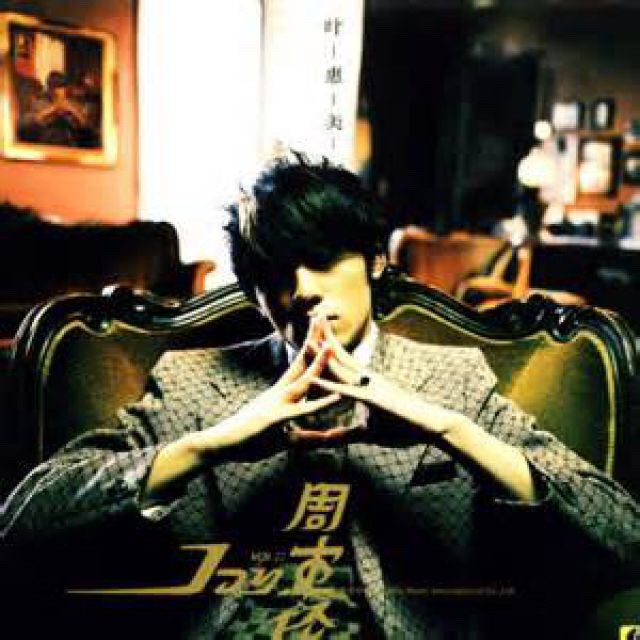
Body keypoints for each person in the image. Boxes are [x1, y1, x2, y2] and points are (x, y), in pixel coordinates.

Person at [1, 155, 639, 639]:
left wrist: (453, 432)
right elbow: (21, 522)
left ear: (375, 263)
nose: (303, 289)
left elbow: (623, 533)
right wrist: (208, 445)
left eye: (324, 260)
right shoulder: (192, 381)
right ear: (254, 293)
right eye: (276, 272)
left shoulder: (455, 380)